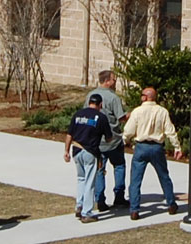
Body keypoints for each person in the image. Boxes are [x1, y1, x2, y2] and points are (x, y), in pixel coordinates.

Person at [122, 86, 184, 219]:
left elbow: (128, 131)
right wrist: (177, 147)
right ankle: (171, 204)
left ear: (146, 97)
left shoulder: (137, 112)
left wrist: (123, 141)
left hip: (141, 147)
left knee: (135, 180)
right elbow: (170, 131)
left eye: (142, 95)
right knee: (164, 177)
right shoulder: (162, 111)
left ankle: (134, 210)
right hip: (157, 147)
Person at [86, 69, 128, 210]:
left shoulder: (90, 96)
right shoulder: (113, 98)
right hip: (114, 140)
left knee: (99, 170)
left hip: (96, 141)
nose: (115, 82)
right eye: (114, 79)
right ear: (107, 81)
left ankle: (100, 200)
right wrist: (132, 115)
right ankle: (119, 197)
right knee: (119, 166)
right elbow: (120, 118)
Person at [64, 92, 109, 223]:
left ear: (89, 102)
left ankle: (79, 205)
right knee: (90, 182)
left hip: (76, 151)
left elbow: (69, 135)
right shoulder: (101, 117)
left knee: (81, 179)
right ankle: (86, 212)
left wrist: (66, 151)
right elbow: (109, 137)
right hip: (90, 152)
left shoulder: (78, 114)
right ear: (100, 104)